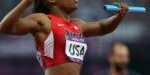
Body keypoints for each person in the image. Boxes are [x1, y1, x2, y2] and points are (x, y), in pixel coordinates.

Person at [0, 0, 128, 75]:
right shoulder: (44, 21)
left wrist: (119, 16)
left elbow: (103, 27)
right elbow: (4, 27)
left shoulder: (78, 25)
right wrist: (26, 2)